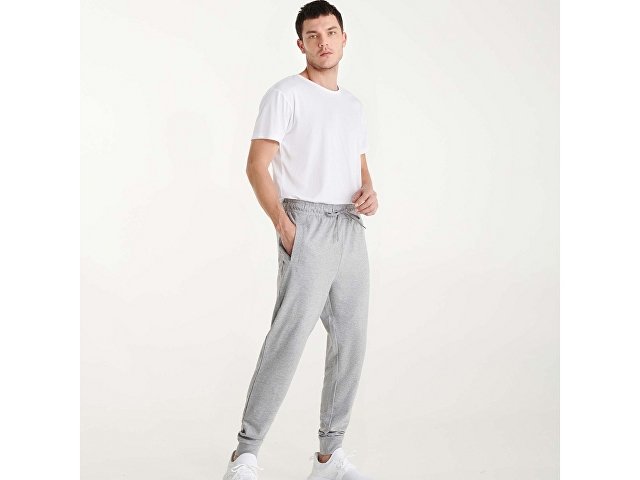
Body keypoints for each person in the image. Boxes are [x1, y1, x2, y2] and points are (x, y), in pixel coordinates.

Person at [223, 2, 378, 479]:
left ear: (344, 38)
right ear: (301, 44)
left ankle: (329, 456)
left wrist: (369, 190)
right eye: (314, 35)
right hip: (306, 223)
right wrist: (285, 226)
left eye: (331, 32)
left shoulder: (352, 105)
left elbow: (358, 162)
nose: (323, 42)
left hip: (349, 227)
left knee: (350, 342)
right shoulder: (286, 94)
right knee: (288, 339)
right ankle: (245, 454)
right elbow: (256, 166)